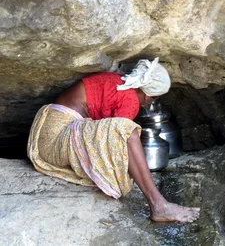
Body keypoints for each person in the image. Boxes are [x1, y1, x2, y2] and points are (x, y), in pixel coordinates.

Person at [27, 58, 200, 222]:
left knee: (125, 132)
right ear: (147, 95)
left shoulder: (117, 80)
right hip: (56, 139)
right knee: (128, 132)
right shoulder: (131, 100)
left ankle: (158, 203)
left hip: (48, 133)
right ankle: (158, 204)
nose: (150, 103)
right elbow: (120, 139)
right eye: (155, 98)